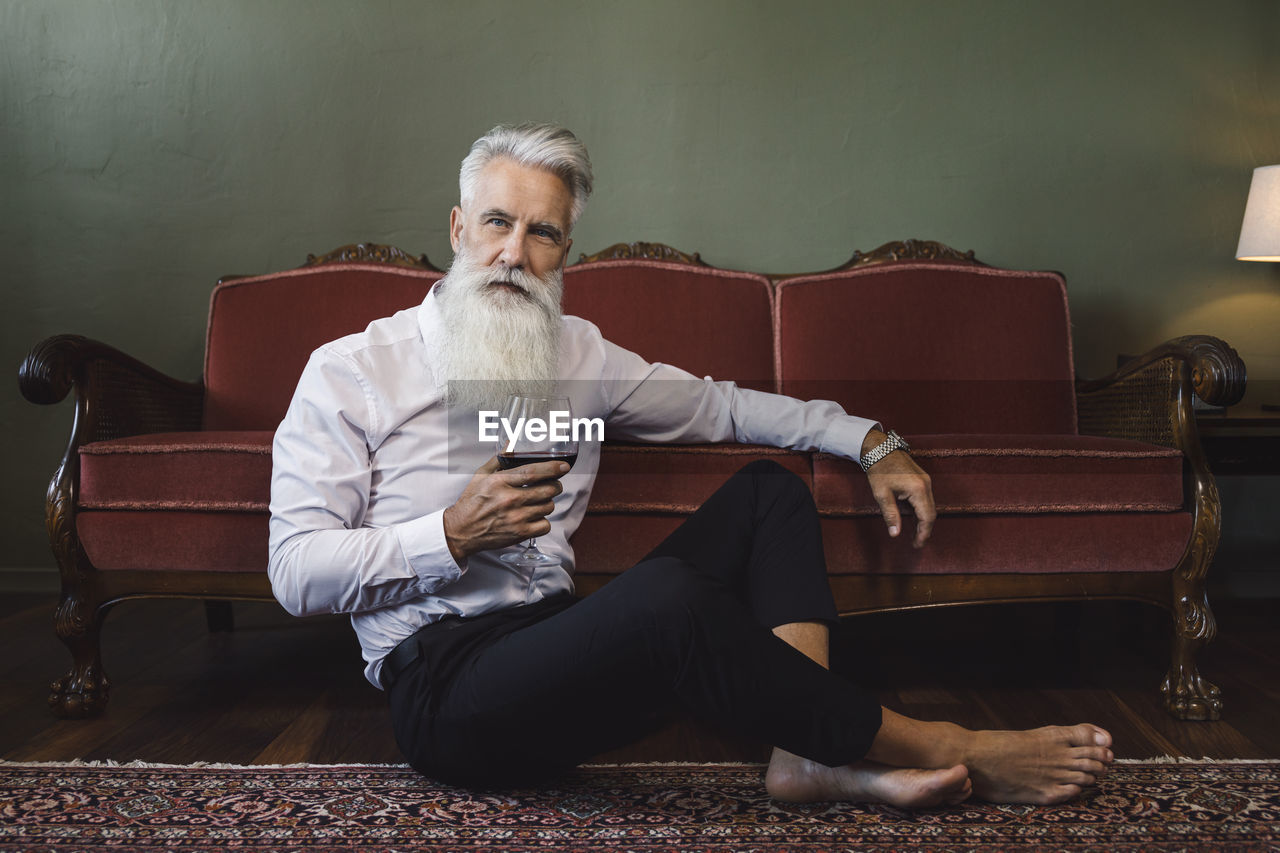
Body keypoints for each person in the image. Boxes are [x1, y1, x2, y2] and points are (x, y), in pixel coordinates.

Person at [268, 122, 1114, 808]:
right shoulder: (351, 369)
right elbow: (294, 572)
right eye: (497, 222)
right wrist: (449, 534)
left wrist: (869, 438)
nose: (513, 253)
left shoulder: (581, 355)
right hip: (447, 691)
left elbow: (726, 406)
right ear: (458, 229)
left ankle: (805, 753)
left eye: (543, 232)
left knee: (767, 493)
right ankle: (945, 742)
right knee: (665, 598)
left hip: (561, 653)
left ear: (566, 250)